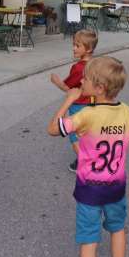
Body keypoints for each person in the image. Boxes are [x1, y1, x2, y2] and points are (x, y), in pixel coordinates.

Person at [48, 56, 129, 257]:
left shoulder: (86, 115)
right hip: (115, 187)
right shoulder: (126, 112)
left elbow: (53, 129)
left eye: (86, 79)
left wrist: (68, 100)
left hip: (89, 190)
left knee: (89, 240)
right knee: (117, 229)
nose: (81, 81)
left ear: (100, 87)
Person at [50, 29, 98, 172]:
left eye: (77, 46)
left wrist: (56, 81)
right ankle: (82, 161)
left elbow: (68, 89)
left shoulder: (78, 68)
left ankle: (90, 166)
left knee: (75, 138)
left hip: (79, 106)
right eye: (73, 45)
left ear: (88, 49)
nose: (74, 48)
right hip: (94, 104)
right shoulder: (96, 64)